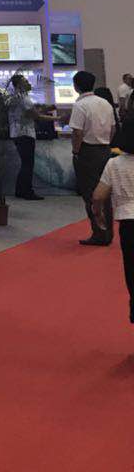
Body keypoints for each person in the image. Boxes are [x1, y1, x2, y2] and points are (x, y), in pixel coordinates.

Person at [91, 119, 134, 324]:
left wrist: (99, 215)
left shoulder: (114, 164)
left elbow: (98, 196)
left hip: (129, 225)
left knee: (132, 273)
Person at [69, 70, 116, 246]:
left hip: (87, 152)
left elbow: (77, 133)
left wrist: (76, 152)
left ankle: (99, 232)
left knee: (90, 194)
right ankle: (108, 232)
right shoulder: (105, 103)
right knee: (105, 193)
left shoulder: (80, 105)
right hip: (105, 150)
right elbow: (113, 129)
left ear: (76, 86)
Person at [8, 74, 57, 200]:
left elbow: (30, 113)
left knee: (25, 163)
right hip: (25, 134)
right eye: (25, 81)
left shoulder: (16, 98)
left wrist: (45, 109)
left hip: (17, 133)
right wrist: (57, 118)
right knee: (28, 164)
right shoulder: (24, 99)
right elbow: (36, 116)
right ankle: (27, 191)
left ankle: (20, 190)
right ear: (19, 84)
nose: (28, 82)